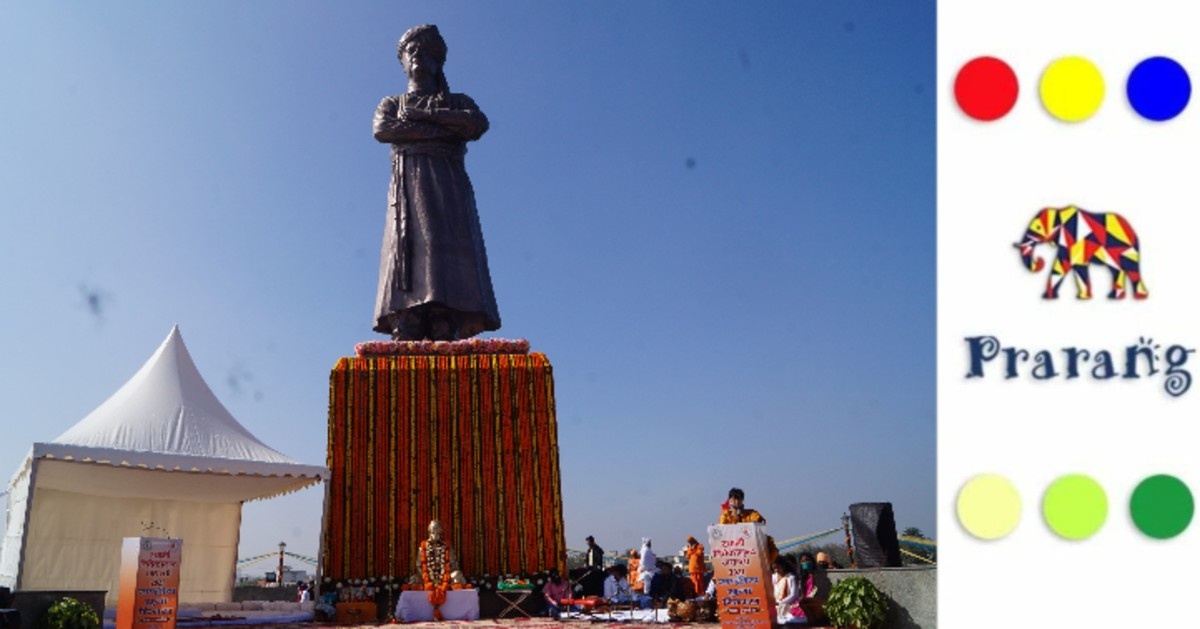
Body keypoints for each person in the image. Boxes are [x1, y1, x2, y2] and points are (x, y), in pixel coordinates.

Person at [372, 23, 500, 341]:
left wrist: (422, 120)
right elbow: (385, 130)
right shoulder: (392, 103)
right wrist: (443, 130)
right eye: (409, 50)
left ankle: (446, 313)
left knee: (448, 245)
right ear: (402, 61)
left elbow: (475, 124)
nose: (416, 55)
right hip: (408, 183)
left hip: (448, 184)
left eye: (423, 50)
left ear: (437, 60)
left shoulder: (458, 101)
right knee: (409, 246)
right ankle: (408, 315)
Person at [718, 487, 779, 563]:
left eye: (739, 499)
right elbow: (722, 529)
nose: (736, 501)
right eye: (734, 499)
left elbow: (759, 521)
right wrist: (734, 516)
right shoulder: (725, 515)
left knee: (769, 544)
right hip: (733, 547)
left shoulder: (751, 513)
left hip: (750, 546)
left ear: (742, 500)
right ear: (730, 500)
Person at [637, 538, 659, 606]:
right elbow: (644, 562)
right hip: (648, 572)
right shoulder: (646, 550)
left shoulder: (645, 550)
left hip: (647, 571)